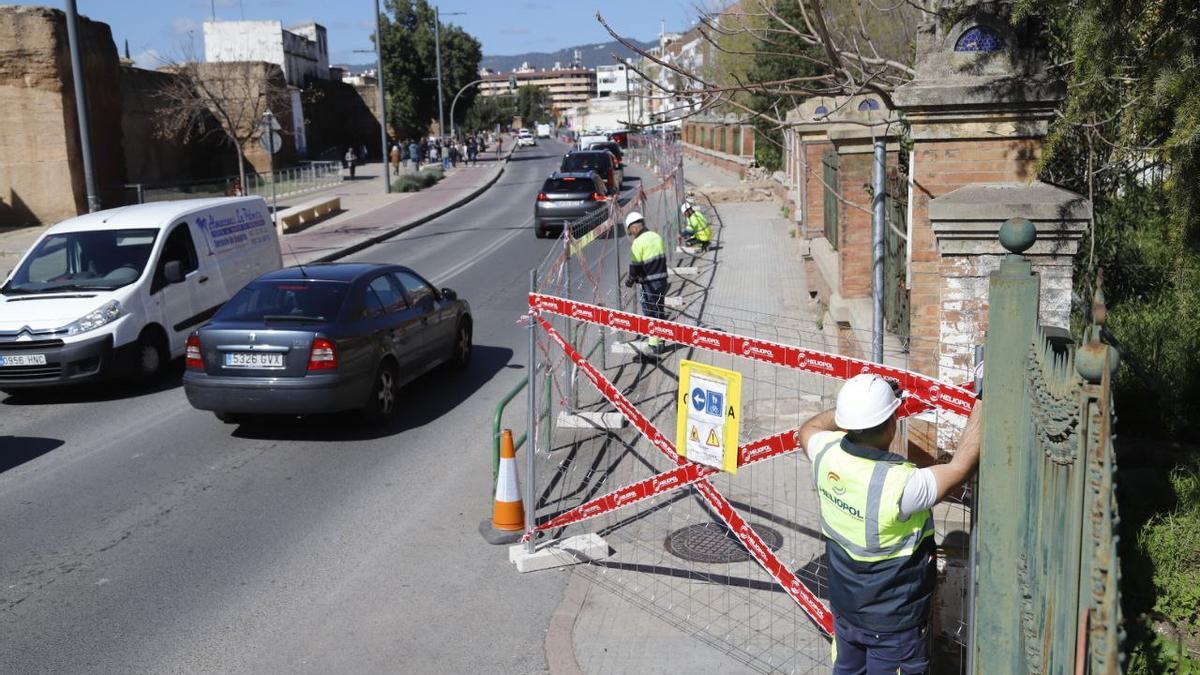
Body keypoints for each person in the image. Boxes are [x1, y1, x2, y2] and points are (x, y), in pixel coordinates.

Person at [797, 374, 983, 675]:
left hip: (846, 611)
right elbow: (960, 466)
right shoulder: (902, 485)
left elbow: (809, 428)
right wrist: (983, 400)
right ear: (891, 425)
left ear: (845, 423)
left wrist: (852, 409)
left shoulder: (824, 452)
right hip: (894, 626)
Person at [622, 211, 670, 356]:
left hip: (649, 284)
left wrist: (631, 279)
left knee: (650, 312)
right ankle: (661, 341)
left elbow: (635, 266)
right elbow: (655, 260)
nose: (632, 234)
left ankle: (654, 344)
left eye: (631, 231)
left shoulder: (638, 242)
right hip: (662, 280)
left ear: (635, 228)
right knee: (659, 309)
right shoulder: (657, 236)